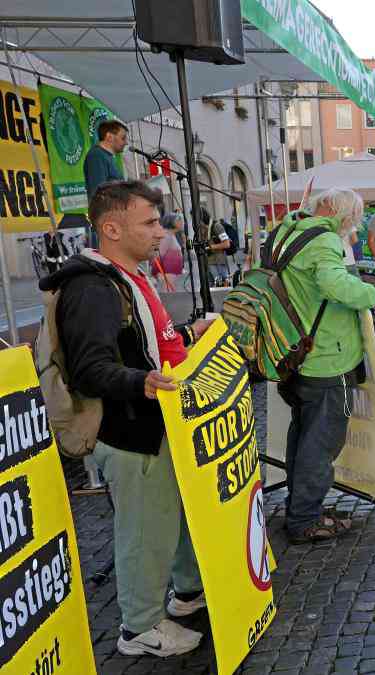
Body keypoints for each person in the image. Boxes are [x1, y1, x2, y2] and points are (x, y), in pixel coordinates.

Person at [43, 180, 213, 656]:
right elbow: (90, 369)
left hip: (152, 421)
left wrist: (185, 333)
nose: (162, 231)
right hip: (129, 430)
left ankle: (186, 594)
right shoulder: (92, 287)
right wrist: (140, 383)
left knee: (169, 517)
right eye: (150, 222)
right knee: (143, 530)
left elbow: (138, 341)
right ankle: (139, 628)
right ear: (112, 228)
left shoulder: (128, 278)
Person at [272, 189, 375, 539]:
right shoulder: (323, 239)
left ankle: (301, 506)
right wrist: (372, 293)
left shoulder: (286, 229)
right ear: (337, 210)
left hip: (295, 352)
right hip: (326, 357)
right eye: (353, 216)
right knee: (320, 444)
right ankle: (304, 519)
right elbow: (336, 286)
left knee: (303, 437)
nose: (354, 224)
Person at [84, 119, 127, 202]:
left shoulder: (107, 156)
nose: (126, 142)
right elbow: (98, 194)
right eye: (123, 138)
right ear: (109, 137)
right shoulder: (96, 156)